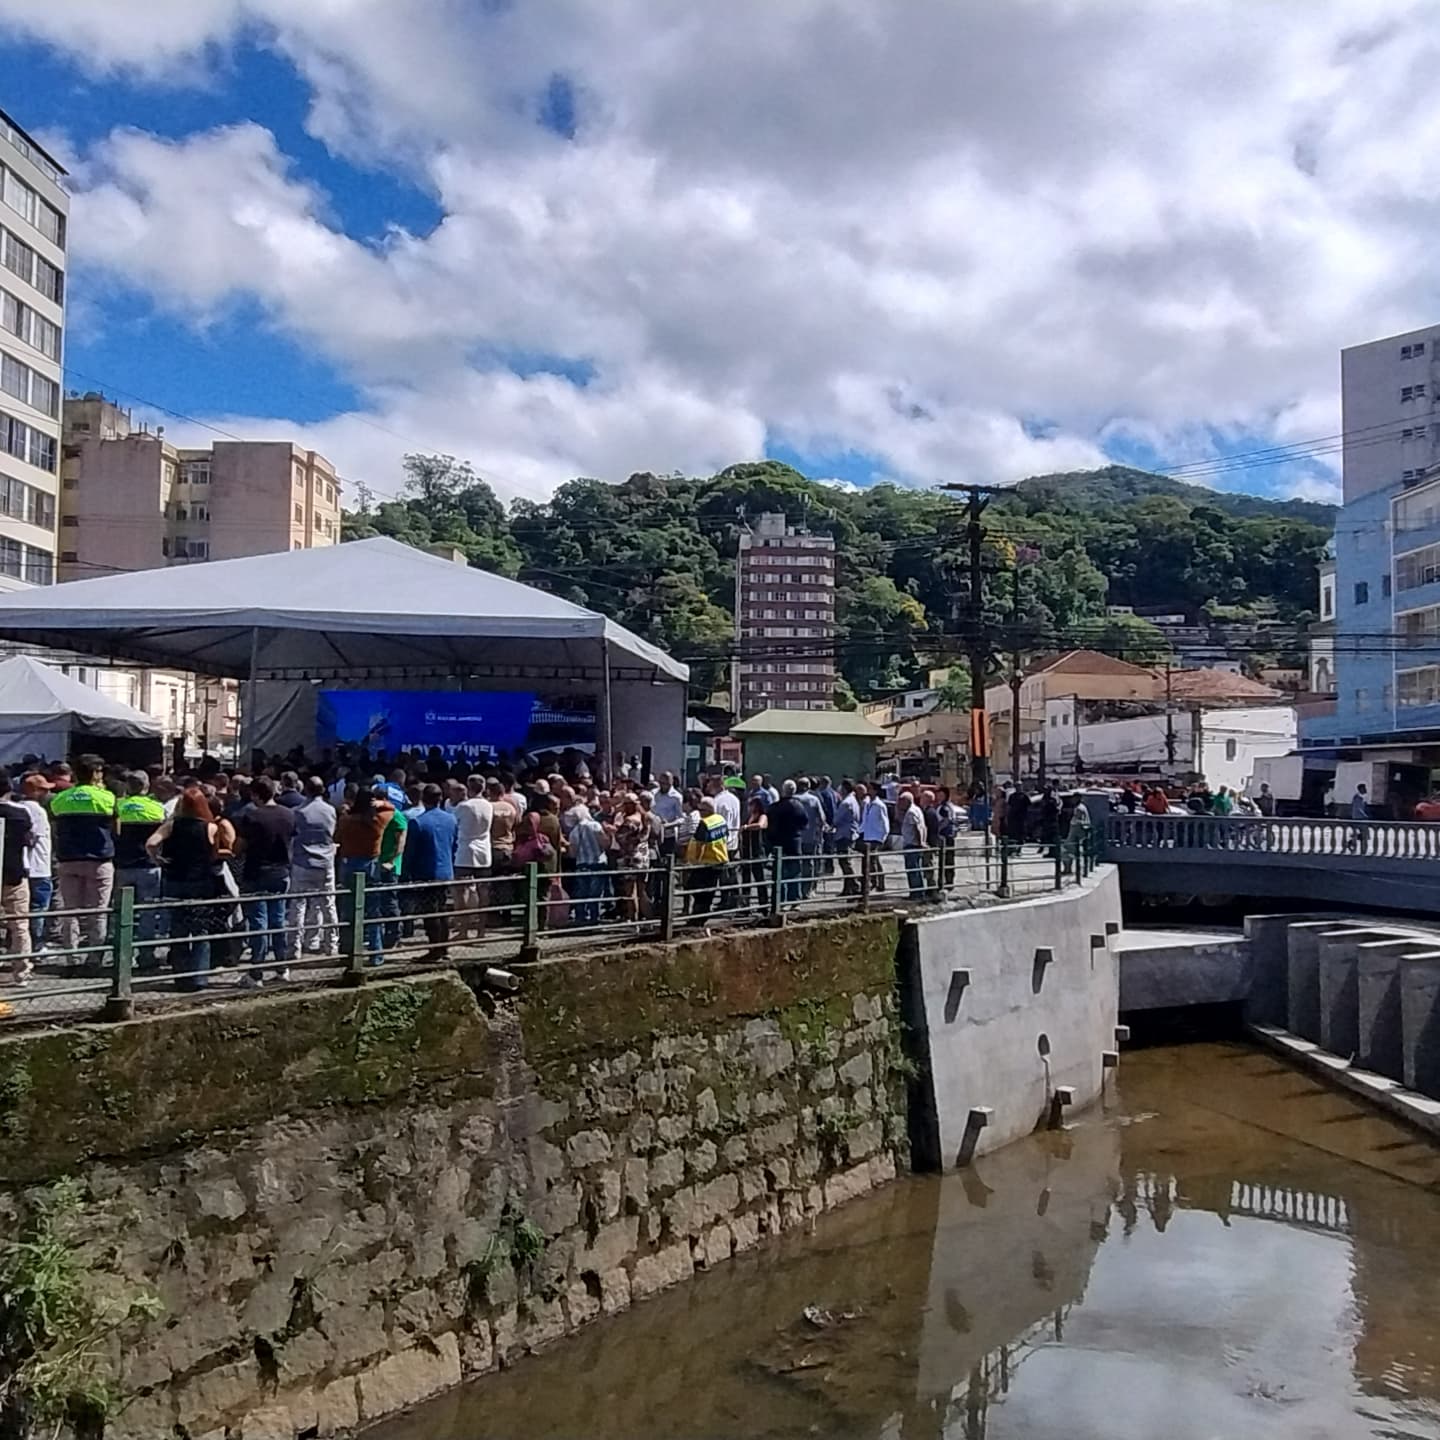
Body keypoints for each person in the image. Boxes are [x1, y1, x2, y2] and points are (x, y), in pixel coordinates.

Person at [148, 786, 223, 991]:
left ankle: (181, 978)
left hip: (175, 880)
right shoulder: (210, 827)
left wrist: (158, 860)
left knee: (178, 930)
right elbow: (216, 853)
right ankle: (198, 978)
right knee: (200, 930)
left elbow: (151, 843)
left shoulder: (172, 825)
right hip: (201, 882)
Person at [50, 754, 116, 963]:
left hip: (68, 859)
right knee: (98, 913)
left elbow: (55, 827)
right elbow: (117, 828)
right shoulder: (107, 797)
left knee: (70, 911)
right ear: (96, 773)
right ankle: (94, 958)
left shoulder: (60, 798)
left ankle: (71, 958)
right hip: (99, 859)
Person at [234, 776, 296, 987]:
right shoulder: (289, 814)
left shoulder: (252, 816)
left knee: (259, 924)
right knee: (278, 921)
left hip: (256, 872)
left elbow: (239, 846)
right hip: (281, 872)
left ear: (255, 794)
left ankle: (256, 973)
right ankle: (282, 968)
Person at [335, 787, 394, 963]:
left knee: (348, 911)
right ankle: (376, 954)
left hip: (349, 863)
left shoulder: (347, 820)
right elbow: (393, 809)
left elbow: (336, 838)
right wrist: (382, 803)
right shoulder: (378, 820)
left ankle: (348, 953)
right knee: (372, 911)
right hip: (371, 864)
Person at [114, 772, 166, 958]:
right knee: (148, 912)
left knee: (120, 913)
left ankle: (120, 955)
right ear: (147, 786)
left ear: (128, 786)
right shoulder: (158, 808)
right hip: (149, 865)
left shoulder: (118, 806)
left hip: (122, 865)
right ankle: (146, 955)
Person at [403, 784, 458, 961]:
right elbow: (454, 844)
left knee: (430, 912)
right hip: (446, 870)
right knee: (442, 910)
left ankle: (435, 949)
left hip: (426, 873)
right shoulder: (451, 820)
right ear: (440, 798)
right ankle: (444, 948)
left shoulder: (417, 822)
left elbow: (410, 852)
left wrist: (406, 875)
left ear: (423, 799)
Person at [288, 777, 338, 957]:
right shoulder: (331, 810)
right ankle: (332, 945)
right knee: (328, 905)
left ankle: (294, 948)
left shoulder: (298, 812)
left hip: (303, 862)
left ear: (306, 790)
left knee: (298, 905)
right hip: (326, 862)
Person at [0, 770, 35, 985]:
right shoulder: (21, 813)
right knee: (20, 924)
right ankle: (21, 972)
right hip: (14, 871)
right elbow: (29, 840)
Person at [452, 775, 494, 939]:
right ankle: (481, 930)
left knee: (460, 891)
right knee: (484, 892)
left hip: (465, 851)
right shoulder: (488, 806)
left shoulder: (464, 806)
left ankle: (463, 930)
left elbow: (456, 824)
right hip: (484, 852)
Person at [19, 773, 52, 954]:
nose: (48, 793)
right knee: (38, 908)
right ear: (35, 791)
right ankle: (37, 946)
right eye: (44, 789)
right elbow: (33, 838)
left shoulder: (18, 807)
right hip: (38, 866)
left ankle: (18, 946)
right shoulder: (37, 811)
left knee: (20, 911)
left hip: (23, 865)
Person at [684, 797, 729, 918]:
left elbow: (700, 845)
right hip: (720, 859)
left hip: (706, 862)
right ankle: (702, 915)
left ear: (707, 810)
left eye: (701, 810)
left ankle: (698, 916)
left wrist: (695, 862)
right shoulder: (721, 819)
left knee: (695, 888)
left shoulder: (704, 823)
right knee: (709, 891)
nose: (699, 812)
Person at [566, 804, 610, 926]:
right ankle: (594, 918)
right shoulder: (595, 826)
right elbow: (605, 844)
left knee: (581, 893)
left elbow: (572, 853)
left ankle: (580, 918)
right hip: (597, 863)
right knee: (595, 894)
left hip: (582, 864)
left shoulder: (574, 832)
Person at [766, 780, 808, 906]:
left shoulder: (775, 807)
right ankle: (794, 900)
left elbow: (770, 824)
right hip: (794, 841)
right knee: (794, 872)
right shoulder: (799, 806)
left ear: (782, 790)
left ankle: (780, 901)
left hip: (778, 842)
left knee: (779, 872)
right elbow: (804, 823)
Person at [795, 777, 825, 897]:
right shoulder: (814, 800)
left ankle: (795, 891)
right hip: (810, 837)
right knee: (809, 863)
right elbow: (822, 819)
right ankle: (806, 891)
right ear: (808, 786)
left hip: (795, 837)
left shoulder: (793, 799)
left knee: (795, 864)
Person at [739, 795, 770, 910]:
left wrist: (747, 827)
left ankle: (763, 905)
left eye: (751, 804)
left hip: (757, 850)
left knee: (759, 878)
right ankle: (745, 905)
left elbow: (761, 825)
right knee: (745, 879)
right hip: (747, 850)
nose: (749, 807)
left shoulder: (763, 816)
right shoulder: (748, 817)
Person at [897, 792, 929, 900]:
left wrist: (920, 842)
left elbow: (918, 828)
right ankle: (917, 892)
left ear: (907, 801)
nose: (899, 804)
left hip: (912, 844)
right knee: (915, 869)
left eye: (901, 801)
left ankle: (916, 893)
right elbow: (923, 827)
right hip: (913, 844)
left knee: (913, 870)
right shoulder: (917, 809)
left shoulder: (911, 812)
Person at [859, 782, 890, 893]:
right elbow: (865, 820)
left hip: (876, 836)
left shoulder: (879, 805)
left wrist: (883, 837)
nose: (868, 791)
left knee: (872, 861)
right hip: (867, 835)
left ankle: (874, 882)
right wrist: (860, 832)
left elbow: (885, 822)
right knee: (874, 860)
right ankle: (878, 882)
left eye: (871, 789)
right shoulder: (868, 804)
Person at [833, 779, 861, 896]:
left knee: (845, 862)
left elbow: (837, 820)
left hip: (844, 834)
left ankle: (855, 885)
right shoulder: (853, 800)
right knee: (846, 861)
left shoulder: (846, 803)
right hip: (851, 833)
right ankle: (848, 888)